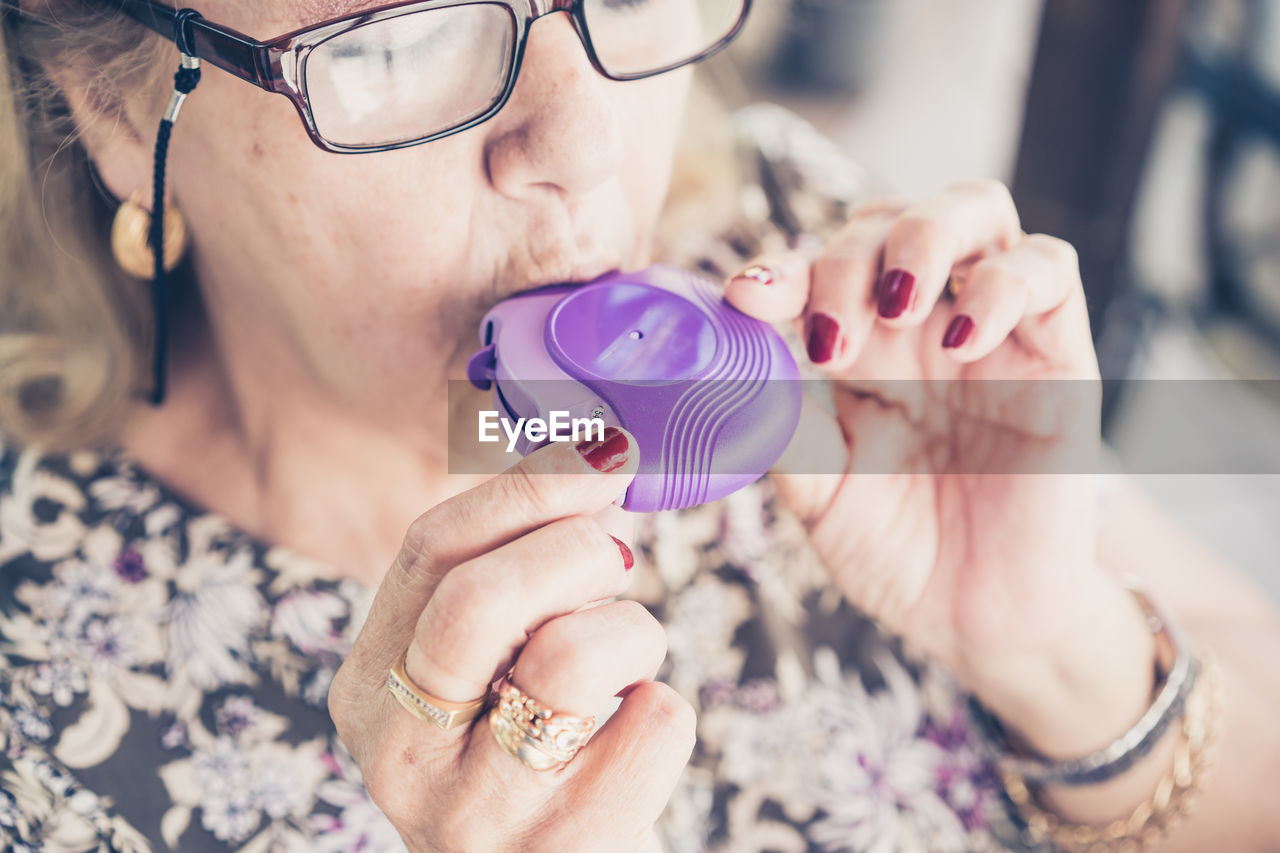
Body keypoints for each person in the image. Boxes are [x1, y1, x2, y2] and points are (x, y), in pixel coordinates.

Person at [1, 0, 1277, 850]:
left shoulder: (794, 248)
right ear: (116, 103)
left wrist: (1060, 648)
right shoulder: (34, 723)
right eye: (394, 39)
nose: (586, 140)